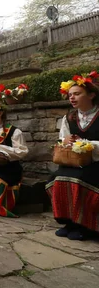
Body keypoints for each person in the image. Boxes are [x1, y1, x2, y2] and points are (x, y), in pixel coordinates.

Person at [47, 71, 99, 240]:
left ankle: (86, 226)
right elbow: (63, 138)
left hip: (95, 162)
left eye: (77, 94)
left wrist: (87, 144)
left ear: (91, 95)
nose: (72, 98)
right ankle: (70, 222)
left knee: (81, 178)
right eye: (70, 95)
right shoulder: (69, 117)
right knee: (57, 177)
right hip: (75, 161)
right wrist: (66, 141)